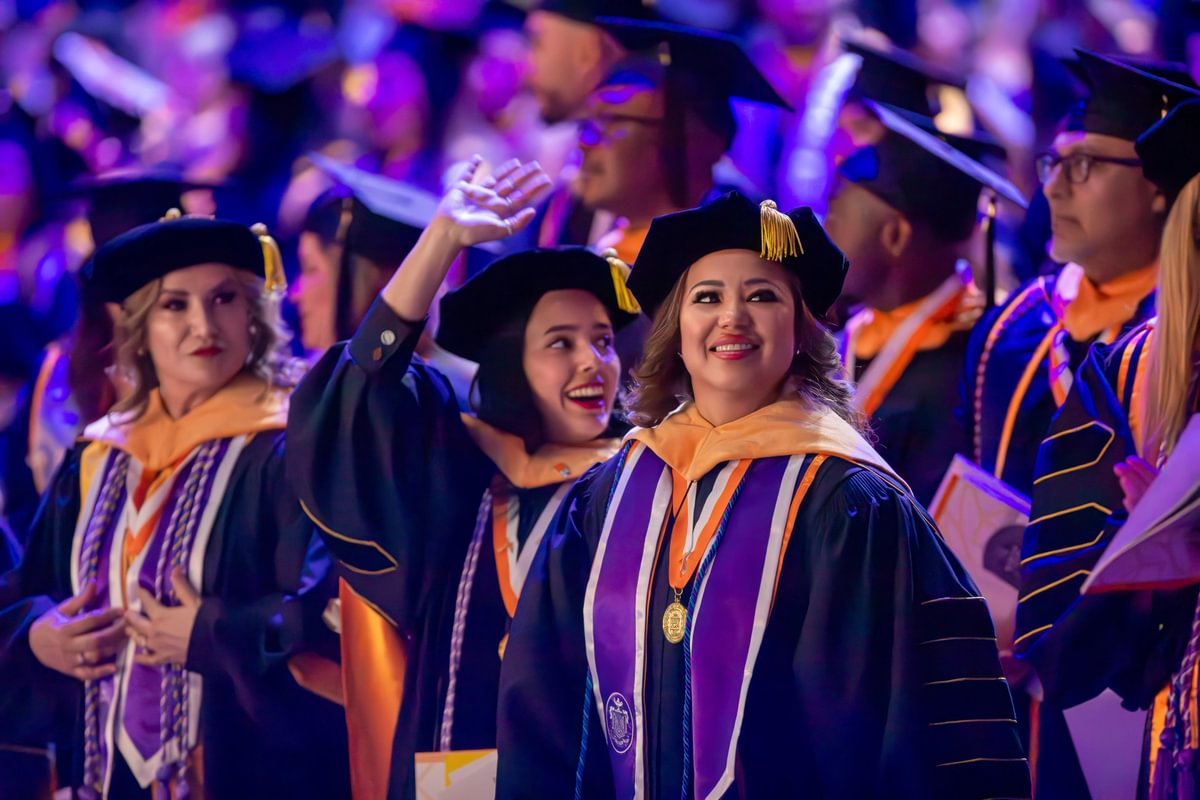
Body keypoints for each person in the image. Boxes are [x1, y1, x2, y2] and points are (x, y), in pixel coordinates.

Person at [496, 191, 1030, 799]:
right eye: (707, 298)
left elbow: (909, 733)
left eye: (762, 296)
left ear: (800, 331)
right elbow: (545, 705)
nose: (732, 317)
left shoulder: (851, 502)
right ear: (676, 330)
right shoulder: (609, 494)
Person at [286, 156, 640, 799]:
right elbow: (361, 396)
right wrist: (441, 240)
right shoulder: (464, 472)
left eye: (604, 340)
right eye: (560, 343)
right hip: (460, 773)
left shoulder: (639, 482)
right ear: (510, 365)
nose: (594, 364)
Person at [0, 213, 348, 799]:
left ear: (252, 316)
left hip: (245, 773)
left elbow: (333, 613)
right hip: (101, 778)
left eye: (223, 298)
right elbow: (31, 587)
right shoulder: (95, 457)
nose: (203, 324)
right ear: (138, 328)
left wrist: (217, 633)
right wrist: (39, 636)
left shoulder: (293, 449)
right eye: (174, 305)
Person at [1014, 98, 1200, 799]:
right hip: (1168, 733)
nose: (1056, 186)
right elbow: (1059, 636)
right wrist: (1151, 555)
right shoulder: (1130, 373)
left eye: (1084, 165)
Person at [965, 51, 1199, 499]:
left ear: (1157, 185)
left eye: (1084, 164)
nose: (1052, 187)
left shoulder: (1185, 339)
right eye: (1053, 163)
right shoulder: (1010, 328)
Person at [826, 102, 1021, 504]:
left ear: (895, 235)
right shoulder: (844, 335)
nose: (824, 234)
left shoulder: (972, 363)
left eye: (835, 219)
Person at [577, 19, 792, 264]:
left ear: (696, 139)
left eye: (610, 121)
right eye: (587, 125)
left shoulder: (743, 264)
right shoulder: (595, 252)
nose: (585, 142)